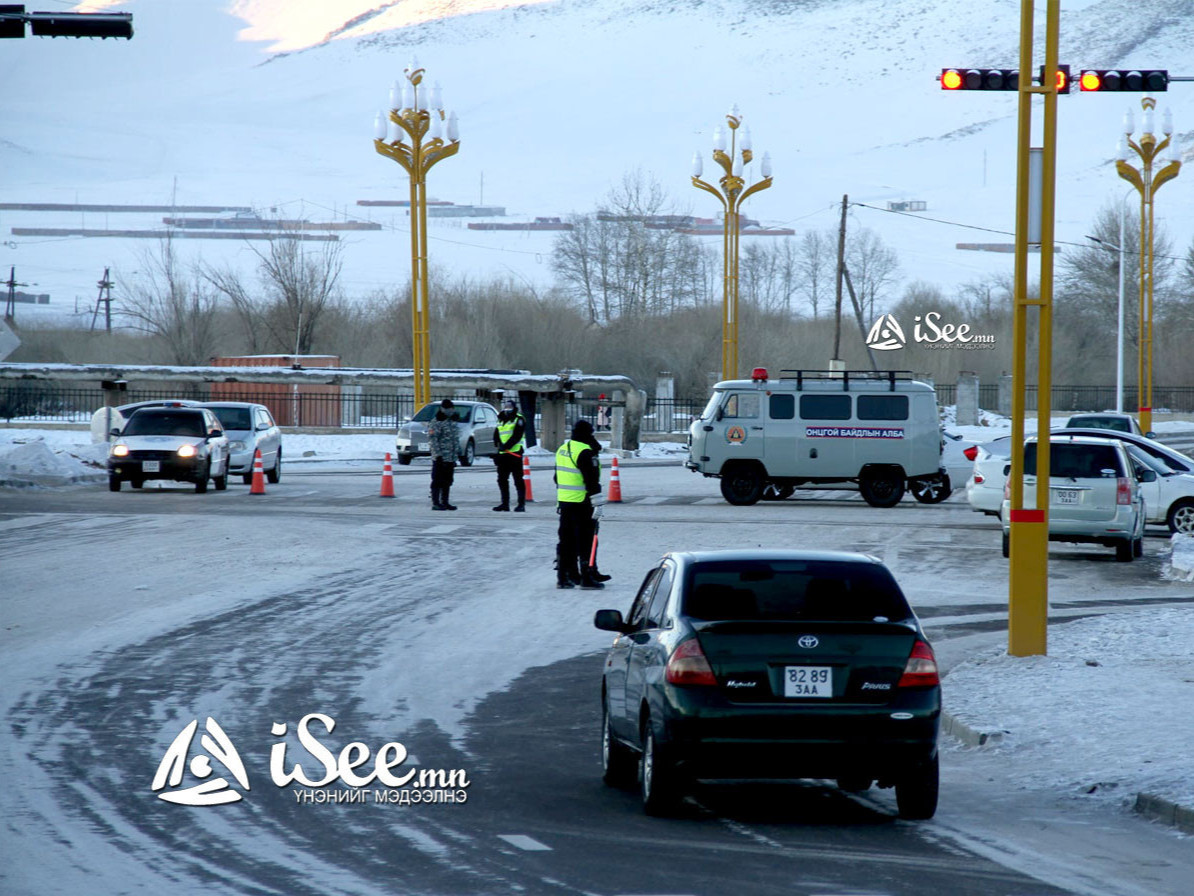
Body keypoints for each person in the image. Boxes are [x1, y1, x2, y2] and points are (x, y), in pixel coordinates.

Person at [554, 418, 605, 589]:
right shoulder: (585, 452)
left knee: (566, 540)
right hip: (583, 502)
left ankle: (564, 577)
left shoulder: (563, 449)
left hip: (565, 502)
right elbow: (591, 481)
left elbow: (556, 477)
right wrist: (598, 503)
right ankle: (587, 577)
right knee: (586, 540)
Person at [492, 398, 527, 512]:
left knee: (518, 480)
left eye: (510, 407)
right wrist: (498, 446)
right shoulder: (500, 418)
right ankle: (504, 504)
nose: (507, 409)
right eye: (506, 407)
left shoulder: (519, 419)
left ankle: (521, 504)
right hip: (503, 455)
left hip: (515, 454)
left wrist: (506, 446)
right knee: (502, 479)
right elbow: (497, 433)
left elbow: (517, 436)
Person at [427, 399, 459, 511]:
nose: (450, 411)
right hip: (440, 457)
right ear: (443, 409)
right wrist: (438, 455)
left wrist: (455, 456)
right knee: (437, 480)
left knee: (448, 480)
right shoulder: (436, 422)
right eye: (448, 409)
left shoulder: (452, 422)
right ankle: (436, 502)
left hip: (450, 457)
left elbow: (455, 440)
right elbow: (433, 440)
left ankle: (445, 502)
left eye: (451, 408)